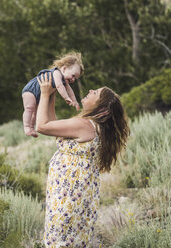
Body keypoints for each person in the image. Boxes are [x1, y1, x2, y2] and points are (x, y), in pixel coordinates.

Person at [36, 73, 130, 247]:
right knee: (73, 238)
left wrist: (44, 93)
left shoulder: (84, 125)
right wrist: (53, 94)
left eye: (96, 93)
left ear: (102, 108)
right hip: (76, 191)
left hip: (69, 192)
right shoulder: (93, 125)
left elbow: (42, 126)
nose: (91, 90)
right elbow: (55, 127)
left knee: (60, 239)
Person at [22, 52, 84, 137]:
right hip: (31, 90)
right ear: (64, 69)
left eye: (75, 78)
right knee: (29, 108)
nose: (73, 79)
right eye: (73, 76)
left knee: (35, 112)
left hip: (40, 94)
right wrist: (66, 97)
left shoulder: (64, 80)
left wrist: (74, 101)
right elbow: (59, 86)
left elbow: (70, 91)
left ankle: (31, 128)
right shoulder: (56, 73)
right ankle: (26, 127)